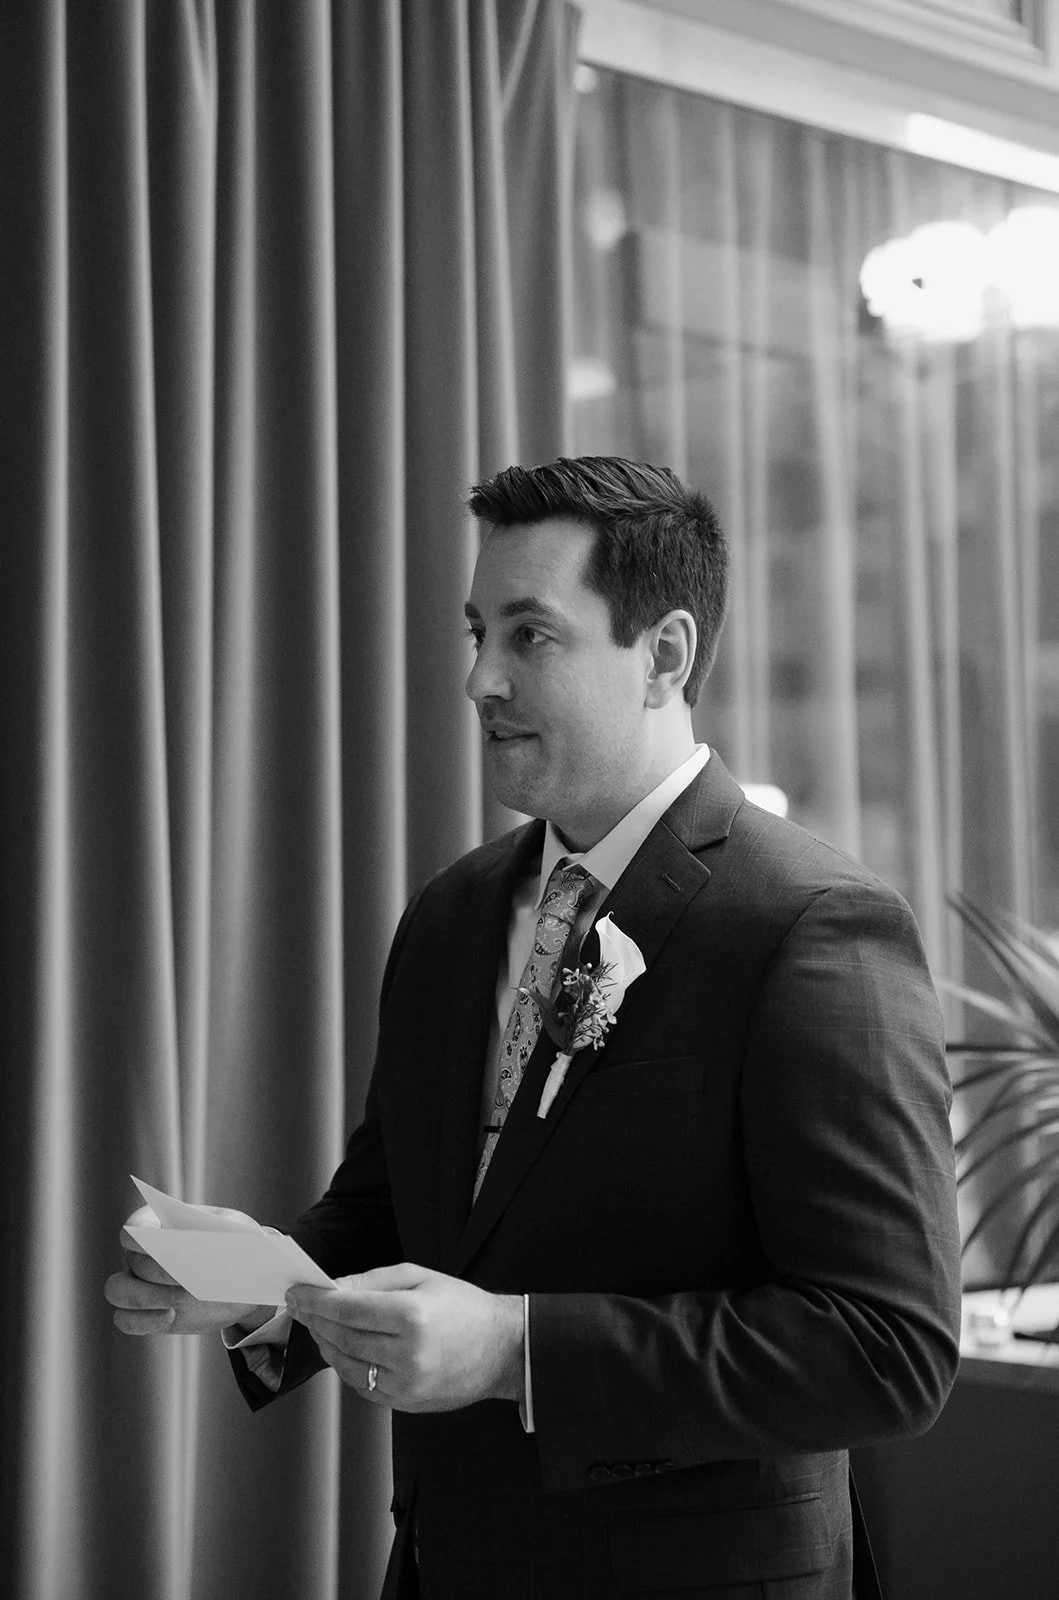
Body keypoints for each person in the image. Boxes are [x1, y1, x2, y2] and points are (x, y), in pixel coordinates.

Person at [107, 456, 962, 1599]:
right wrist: (265, 1281)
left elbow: (884, 1347)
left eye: (530, 636)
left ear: (664, 655)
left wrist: (517, 1349)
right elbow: (396, 1212)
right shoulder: (453, 914)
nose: (478, 680)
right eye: (475, 632)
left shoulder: (814, 925)